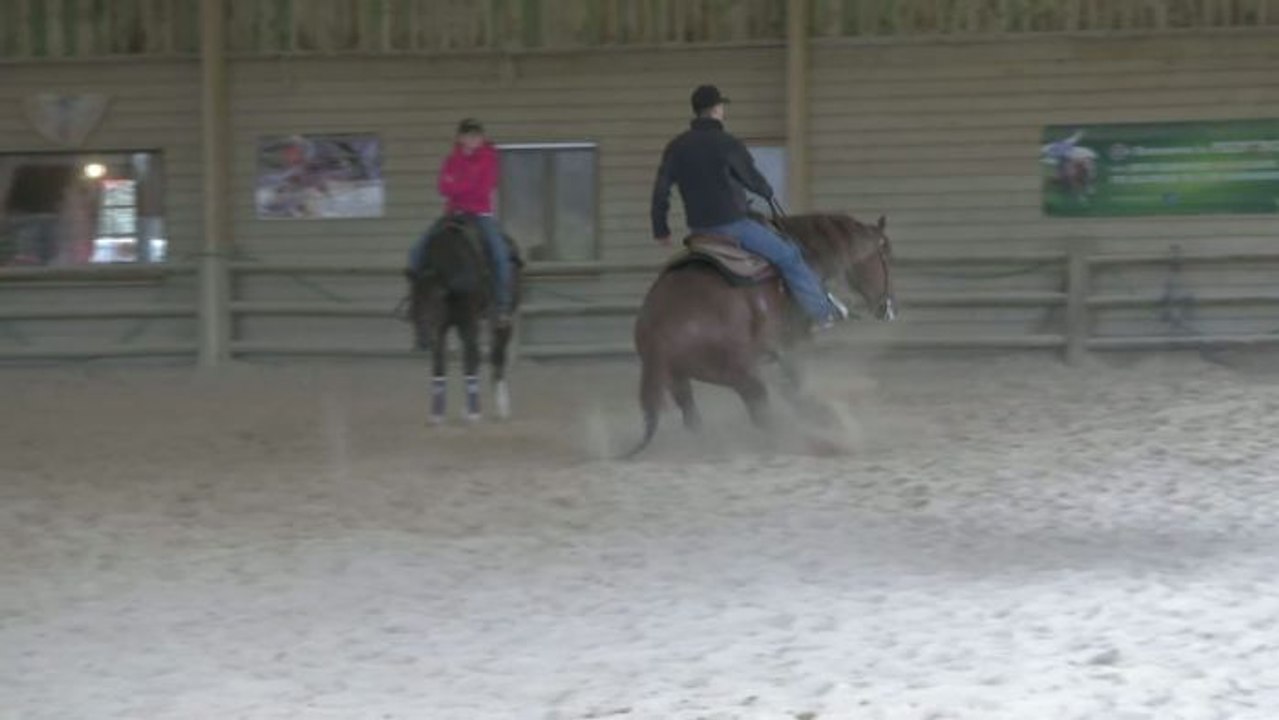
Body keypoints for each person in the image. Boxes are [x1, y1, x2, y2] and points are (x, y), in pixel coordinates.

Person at [651, 84, 847, 329]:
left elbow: (661, 191)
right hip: (733, 226)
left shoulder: (676, 147)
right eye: (721, 106)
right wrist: (766, 190)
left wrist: (661, 229)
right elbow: (751, 178)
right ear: (715, 109)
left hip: (699, 231)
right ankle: (821, 312)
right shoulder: (727, 143)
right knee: (790, 256)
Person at [408, 118, 513, 323]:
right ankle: (418, 302)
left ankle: (502, 305)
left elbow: (483, 189)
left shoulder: (489, 158)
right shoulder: (451, 160)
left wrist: (457, 185)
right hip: (453, 214)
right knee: (416, 251)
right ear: (460, 138)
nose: (472, 139)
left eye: (476, 135)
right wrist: (464, 186)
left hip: (479, 214)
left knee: (500, 254)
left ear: (482, 138)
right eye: (468, 135)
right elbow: (442, 187)